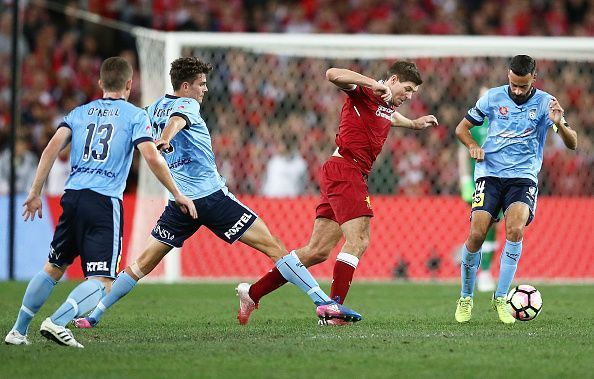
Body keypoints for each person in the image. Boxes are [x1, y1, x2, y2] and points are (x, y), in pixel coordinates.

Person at [74, 57, 361, 330]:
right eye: (201, 83)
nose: (206, 89)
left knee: (142, 264)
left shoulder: (149, 110)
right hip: (212, 198)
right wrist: (165, 138)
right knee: (274, 247)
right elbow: (178, 120)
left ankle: (94, 315)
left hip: (181, 203)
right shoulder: (187, 104)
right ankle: (323, 302)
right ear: (186, 87)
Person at [4, 57, 197, 348]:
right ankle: (57, 321)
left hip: (72, 199)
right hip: (104, 202)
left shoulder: (79, 113)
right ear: (130, 85)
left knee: (53, 268)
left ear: (100, 83)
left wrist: (35, 192)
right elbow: (151, 156)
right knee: (104, 278)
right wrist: (177, 193)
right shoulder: (134, 116)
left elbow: (50, 149)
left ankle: (18, 331)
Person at [236, 61, 438, 325]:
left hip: (342, 171)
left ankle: (252, 293)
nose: (409, 96)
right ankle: (333, 310)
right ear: (393, 80)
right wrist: (372, 83)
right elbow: (332, 74)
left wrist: (413, 124)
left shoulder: (387, 107)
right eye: (408, 89)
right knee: (359, 240)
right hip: (346, 169)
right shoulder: (366, 92)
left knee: (316, 251)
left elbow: (389, 116)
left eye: (413, 93)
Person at [454, 55, 577, 324]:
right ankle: (466, 297)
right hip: (490, 172)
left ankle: (500, 298)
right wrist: (472, 146)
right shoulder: (492, 98)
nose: (518, 91)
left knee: (515, 229)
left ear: (534, 78)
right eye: (513, 85)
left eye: (523, 86)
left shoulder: (547, 103)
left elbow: (573, 142)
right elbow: (461, 129)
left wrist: (558, 122)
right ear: (508, 76)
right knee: (477, 233)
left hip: (523, 177)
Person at [457, 86, 497, 293]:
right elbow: (462, 153)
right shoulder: (474, 123)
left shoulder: (502, 122)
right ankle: (478, 270)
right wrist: (465, 180)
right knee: (481, 225)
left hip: (499, 181)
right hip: (477, 182)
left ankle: (484, 271)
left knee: (492, 225)